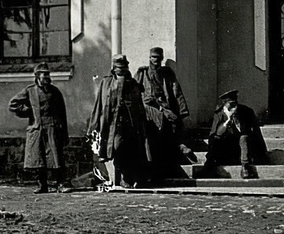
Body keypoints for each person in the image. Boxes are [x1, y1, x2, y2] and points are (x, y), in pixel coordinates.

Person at [87, 55, 148, 188]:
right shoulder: (106, 83)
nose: (122, 71)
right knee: (116, 147)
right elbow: (99, 104)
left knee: (130, 149)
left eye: (124, 68)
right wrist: (93, 126)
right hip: (112, 125)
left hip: (130, 123)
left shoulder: (132, 84)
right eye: (119, 68)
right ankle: (122, 176)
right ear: (114, 69)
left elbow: (139, 105)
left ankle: (127, 178)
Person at [9, 63, 71, 193]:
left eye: (48, 74)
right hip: (37, 129)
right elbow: (13, 105)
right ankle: (42, 185)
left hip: (52, 128)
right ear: (37, 76)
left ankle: (60, 184)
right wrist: (28, 112)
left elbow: (62, 113)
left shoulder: (55, 92)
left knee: (56, 158)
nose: (47, 77)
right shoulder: (30, 91)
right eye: (44, 75)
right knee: (39, 159)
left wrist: (64, 134)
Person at [135, 46, 192, 175]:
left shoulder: (167, 74)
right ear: (149, 58)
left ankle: (180, 146)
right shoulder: (142, 74)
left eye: (159, 58)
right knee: (162, 124)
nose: (156, 60)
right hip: (150, 109)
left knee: (174, 121)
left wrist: (183, 112)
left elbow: (177, 92)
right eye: (154, 57)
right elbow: (138, 94)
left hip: (165, 107)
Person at [206, 90, 270, 179]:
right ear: (225, 104)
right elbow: (214, 134)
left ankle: (245, 167)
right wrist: (226, 123)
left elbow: (256, 132)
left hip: (245, 147)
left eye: (235, 103)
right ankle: (209, 167)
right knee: (215, 139)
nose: (234, 107)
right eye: (231, 104)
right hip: (229, 147)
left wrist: (263, 152)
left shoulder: (246, 111)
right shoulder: (219, 114)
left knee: (243, 137)